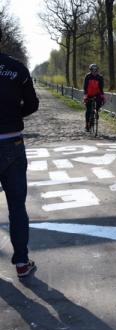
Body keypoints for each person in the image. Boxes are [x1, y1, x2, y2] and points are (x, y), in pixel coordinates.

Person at [0, 27, 39, 278]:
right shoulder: (17, 69)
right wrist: (15, 115)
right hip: (12, 143)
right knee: (16, 206)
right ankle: (22, 262)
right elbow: (33, 104)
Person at [83, 64, 105, 132]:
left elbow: (101, 88)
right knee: (88, 110)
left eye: (96, 70)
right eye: (93, 70)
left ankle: (97, 111)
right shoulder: (87, 76)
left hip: (97, 94)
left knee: (100, 101)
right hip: (89, 94)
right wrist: (85, 95)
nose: (95, 72)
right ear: (91, 70)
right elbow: (85, 87)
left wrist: (103, 95)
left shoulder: (100, 77)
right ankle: (87, 124)